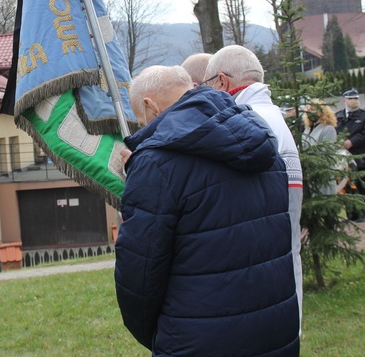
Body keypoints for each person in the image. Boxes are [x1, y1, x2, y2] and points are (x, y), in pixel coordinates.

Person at [115, 65, 300, 357]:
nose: (144, 128)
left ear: (150, 107)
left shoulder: (156, 162)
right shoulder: (260, 136)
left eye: (141, 120)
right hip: (276, 330)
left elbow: (140, 273)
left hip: (198, 338)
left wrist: (153, 335)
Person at [204, 45, 303, 326]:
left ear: (222, 81)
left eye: (208, 85)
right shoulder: (272, 118)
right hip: (282, 293)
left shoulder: (247, 124)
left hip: (258, 302)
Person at [336, 88, 365, 217]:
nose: (353, 101)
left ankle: (362, 214)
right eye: (350, 99)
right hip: (343, 160)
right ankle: (351, 214)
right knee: (347, 187)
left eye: (355, 99)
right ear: (345, 100)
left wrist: (351, 142)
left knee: (361, 185)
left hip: (360, 157)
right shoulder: (338, 116)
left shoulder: (363, 116)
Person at [302, 100, 338, 195]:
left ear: (322, 112)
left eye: (313, 110)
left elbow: (326, 154)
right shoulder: (307, 130)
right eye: (308, 110)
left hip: (322, 178)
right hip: (307, 178)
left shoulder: (328, 129)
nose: (310, 112)